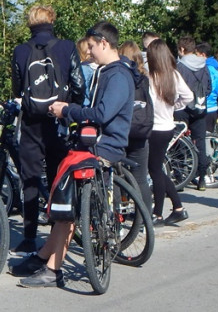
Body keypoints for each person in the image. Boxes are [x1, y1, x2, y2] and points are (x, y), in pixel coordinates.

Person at [11, 21, 134, 288]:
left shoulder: (118, 76)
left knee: (67, 198)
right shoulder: (110, 72)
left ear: (104, 43)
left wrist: (67, 110)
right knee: (62, 192)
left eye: (91, 46)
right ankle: (45, 255)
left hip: (103, 147)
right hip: (94, 143)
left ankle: (53, 269)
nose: (88, 53)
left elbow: (102, 114)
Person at [9, 5, 85, 254]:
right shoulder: (66, 47)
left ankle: (29, 236)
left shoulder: (21, 50)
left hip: (32, 123)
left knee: (30, 179)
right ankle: (57, 235)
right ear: (52, 21)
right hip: (59, 121)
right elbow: (79, 84)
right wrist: (70, 110)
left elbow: (18, 88)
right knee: (57, 179)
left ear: (30, 23)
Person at [144, 39, 194, 226]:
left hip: (154, 127)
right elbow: (189, 96)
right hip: (168, 125)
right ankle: (177, 207)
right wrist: (175, 106)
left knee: (155, 169)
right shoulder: (173, 75)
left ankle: (159, 212)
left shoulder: (150, 77)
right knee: (156, 168)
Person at [119, 41, 153, 212]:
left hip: (122, 130)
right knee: (140, 178)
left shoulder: (119, 76)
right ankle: (145, 217)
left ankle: (119, 215)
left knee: (118, 175)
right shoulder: (144, 79)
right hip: (141, 130)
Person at [175, 37, 210, 191]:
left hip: (183, 107)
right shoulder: (204, 65)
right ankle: (201, 177)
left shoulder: (180, 66)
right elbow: (208, 87)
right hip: (201, 107)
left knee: (178, 141)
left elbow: (175, 88)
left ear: (182, 49)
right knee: (200, 142)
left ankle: (179, 178)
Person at [197, 42, 218, 135]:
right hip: (211, 106)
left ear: (203, 55)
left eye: (197, 55)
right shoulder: (213, 67)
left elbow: (209, 88)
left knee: (205, 138)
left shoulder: (208, 69)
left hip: (208, 106)